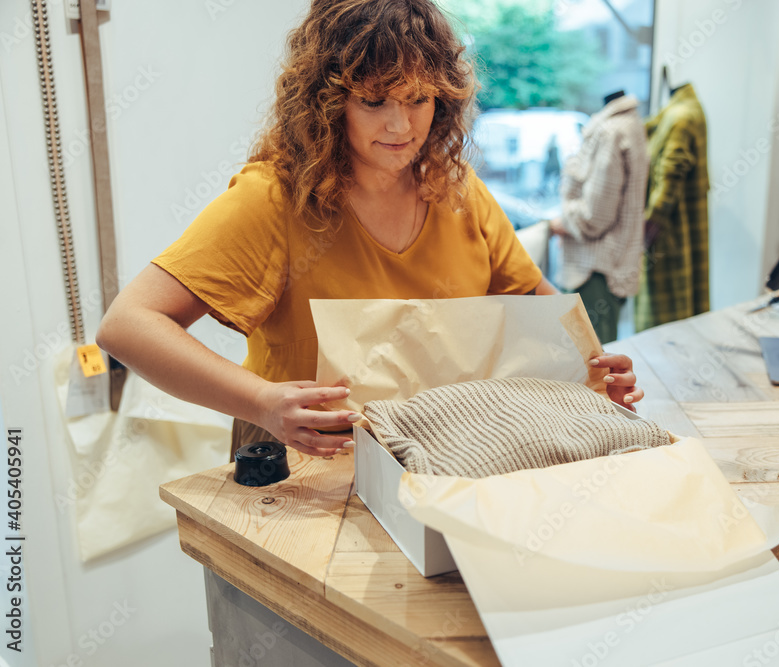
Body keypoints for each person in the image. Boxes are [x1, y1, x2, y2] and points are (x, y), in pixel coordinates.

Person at [96, 0, 643, 460]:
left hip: (442, 458)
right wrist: (263, 401)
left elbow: (537, 312)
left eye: (418, 99)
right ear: (328, 102)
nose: (400, 126)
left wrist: (594, 373)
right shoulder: (274, 200)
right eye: (374, 100)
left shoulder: (458, 190)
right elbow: (128, 325)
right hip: (307, 472)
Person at [548, 90, 648, 344]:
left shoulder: (610, 132)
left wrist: (564, 222)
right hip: (608, 265)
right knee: (597, 358)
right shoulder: (631, 125)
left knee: (590, 363)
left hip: (594, 269)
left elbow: (595, 217)